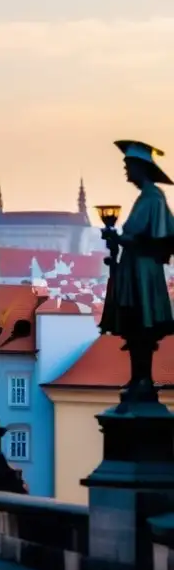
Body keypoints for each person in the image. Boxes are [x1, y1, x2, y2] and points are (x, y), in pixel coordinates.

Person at [99, 140, 174, 402]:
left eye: (127, 165)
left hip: (143, 271)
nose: (125, 170)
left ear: (140, 167)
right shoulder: (147, 197)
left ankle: (143, 378)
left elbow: (142, 237)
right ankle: (139, 377)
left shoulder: (152, 197)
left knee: (143, 323)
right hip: (137, 269)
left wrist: (115, 236)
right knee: (135, 325)